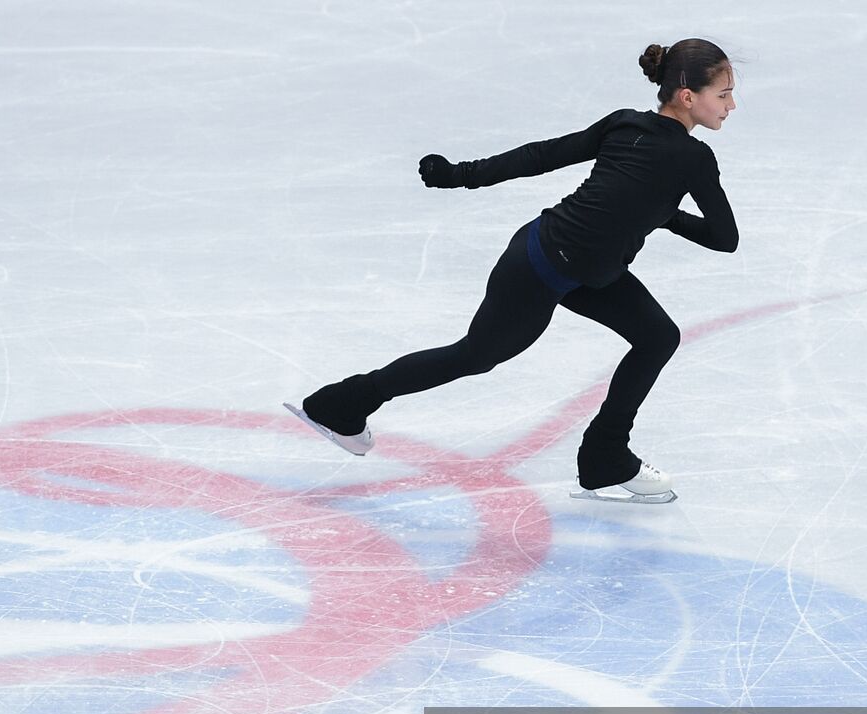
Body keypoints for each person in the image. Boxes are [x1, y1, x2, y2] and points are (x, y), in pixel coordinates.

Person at [287, 39, 739, 503]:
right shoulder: (692, 159)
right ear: (687, 95)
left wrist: (460, 173)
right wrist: (666, 213)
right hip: (539, 265)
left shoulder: (626, 123)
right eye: (723, 94)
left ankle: (605, 454)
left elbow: (541, 155)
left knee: (658, 336)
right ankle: (340, 403)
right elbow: (724, 237)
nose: (731, 105)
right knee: (475, 356)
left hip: (590, 273)